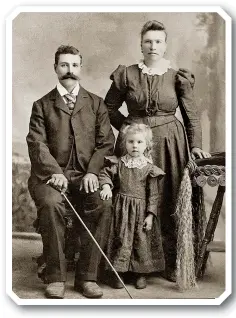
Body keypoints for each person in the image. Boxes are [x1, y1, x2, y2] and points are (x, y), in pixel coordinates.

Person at [104, 20, 211, 282]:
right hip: (134, 147)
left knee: (169, 196)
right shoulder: (127, 74)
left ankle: (171, 262)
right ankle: (128, 263)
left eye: (158, 41)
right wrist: (130, 129)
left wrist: (195, 144)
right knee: (131, 198)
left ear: (165, 45)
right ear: (141, 45)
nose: (153, 46)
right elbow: (108, 108)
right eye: (148, 41)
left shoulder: (177, 77)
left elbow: (191, 115)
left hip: (169, 143)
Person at [26, 45, 115, 299]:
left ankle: (87, 277)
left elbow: (106, 143)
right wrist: (55, 171)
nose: (69, 71)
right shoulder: (42, 105)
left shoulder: (96, 104)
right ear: (55, 68)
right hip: (50, 177)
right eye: (64, 65)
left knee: (101, 203)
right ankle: (55, 277)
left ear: (81, 68)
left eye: (74, 65)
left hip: (86, 175)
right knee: (51, 203)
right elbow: (37, 144)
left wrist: (92, 173)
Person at [98, 123, 165, 289]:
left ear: (147, 145)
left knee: (140, 242)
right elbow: (104, 174)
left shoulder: (149, 168)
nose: (135, 145)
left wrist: (150, 215)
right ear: (124, 143)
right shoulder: (119, 164)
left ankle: (140, 274)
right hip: (121, 210)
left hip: (141, 212)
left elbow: (154, 195)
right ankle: (118, 273)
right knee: (120, 239)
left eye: (139, 142)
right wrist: (106, 185)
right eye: (131, 141)